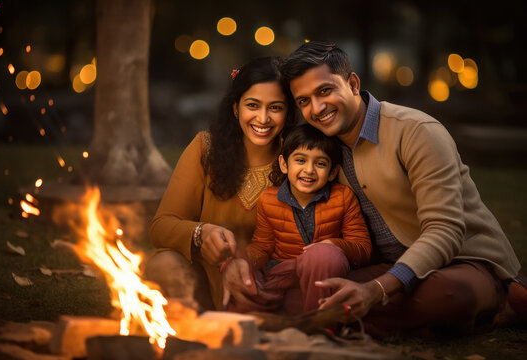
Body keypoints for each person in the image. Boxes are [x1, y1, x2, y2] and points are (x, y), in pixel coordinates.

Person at [273, 41, 523, 335]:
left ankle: (502, 300)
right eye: (303, 101)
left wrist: (377, 289)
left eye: (325, 91)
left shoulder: (416, 131)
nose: (316, 108)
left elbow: (445, 231)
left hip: (464, 262)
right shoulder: (321, 148)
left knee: (449, 296)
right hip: (390, 266)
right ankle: (371, 319)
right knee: (294, 297)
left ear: (353, 83)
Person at [146, 56, 296, 311]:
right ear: (236, 108)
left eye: (275, 107)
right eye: (253, 105)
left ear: (288, 112)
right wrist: (201, 233)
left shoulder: (299, 159)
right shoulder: (205, 148)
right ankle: (207, 329)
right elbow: (160, 227)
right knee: (163, 266)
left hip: (264, 283)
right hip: (205, 281)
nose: (262, 118)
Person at [225, 124, 371, 314]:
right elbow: (263, 246)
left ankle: (319, 324)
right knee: (245, 284)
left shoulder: (342, 197)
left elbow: (363, 249)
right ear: (285, 164)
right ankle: (271, 316)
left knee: (323, 255)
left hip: (324, 272)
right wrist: (242, 260)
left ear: (332, 172)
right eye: (301, 160)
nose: (309, 170)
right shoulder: (269, 200)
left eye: (320, 163)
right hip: (285, 272)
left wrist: (333, 245)